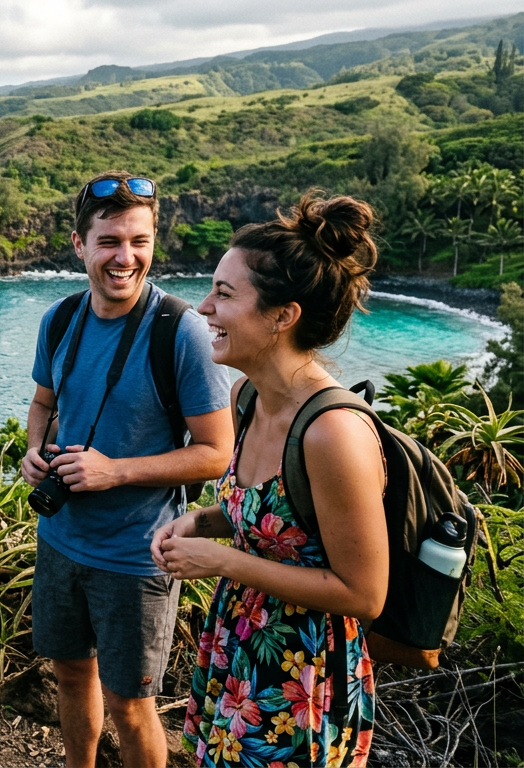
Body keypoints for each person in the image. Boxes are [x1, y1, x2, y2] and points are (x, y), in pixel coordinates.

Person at [154, 194, 386, 767]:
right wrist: (201, 522)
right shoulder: (247, 397)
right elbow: (272, 516)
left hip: (300, 678)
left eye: (225, 294)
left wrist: (222, 561)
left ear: (284, 316)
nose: (204, 307)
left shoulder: (333, 434)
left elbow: (364, 594)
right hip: (238, 648)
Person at [19, 172, 234, 768]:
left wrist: (116, 472)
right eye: (110, 241)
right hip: (60, 539)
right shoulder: (60, 319)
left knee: (131, 705)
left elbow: (217, 452)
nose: (126, 257)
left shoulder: (181, 332)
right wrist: (35, 449)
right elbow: (43, 403)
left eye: (140, 241)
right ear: (79, 244)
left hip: (136, 555)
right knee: (69, 676)